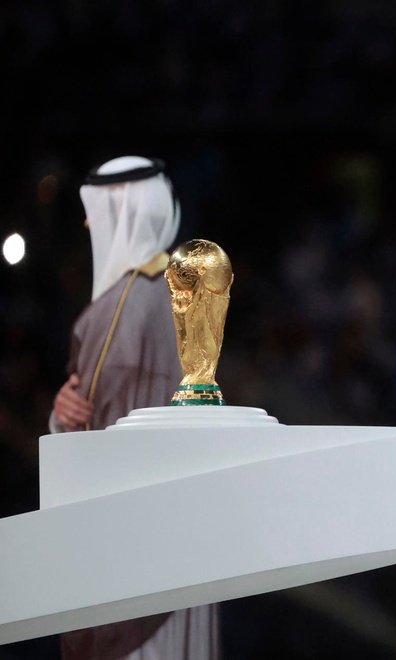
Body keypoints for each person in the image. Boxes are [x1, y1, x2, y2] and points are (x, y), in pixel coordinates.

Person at [50, 155, 221, 660]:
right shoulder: (184, 291)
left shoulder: (125, 303)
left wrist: (61, 421)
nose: (85, 223)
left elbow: (91, 429)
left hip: (130, 551)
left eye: (94, 211)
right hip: (185, 538)